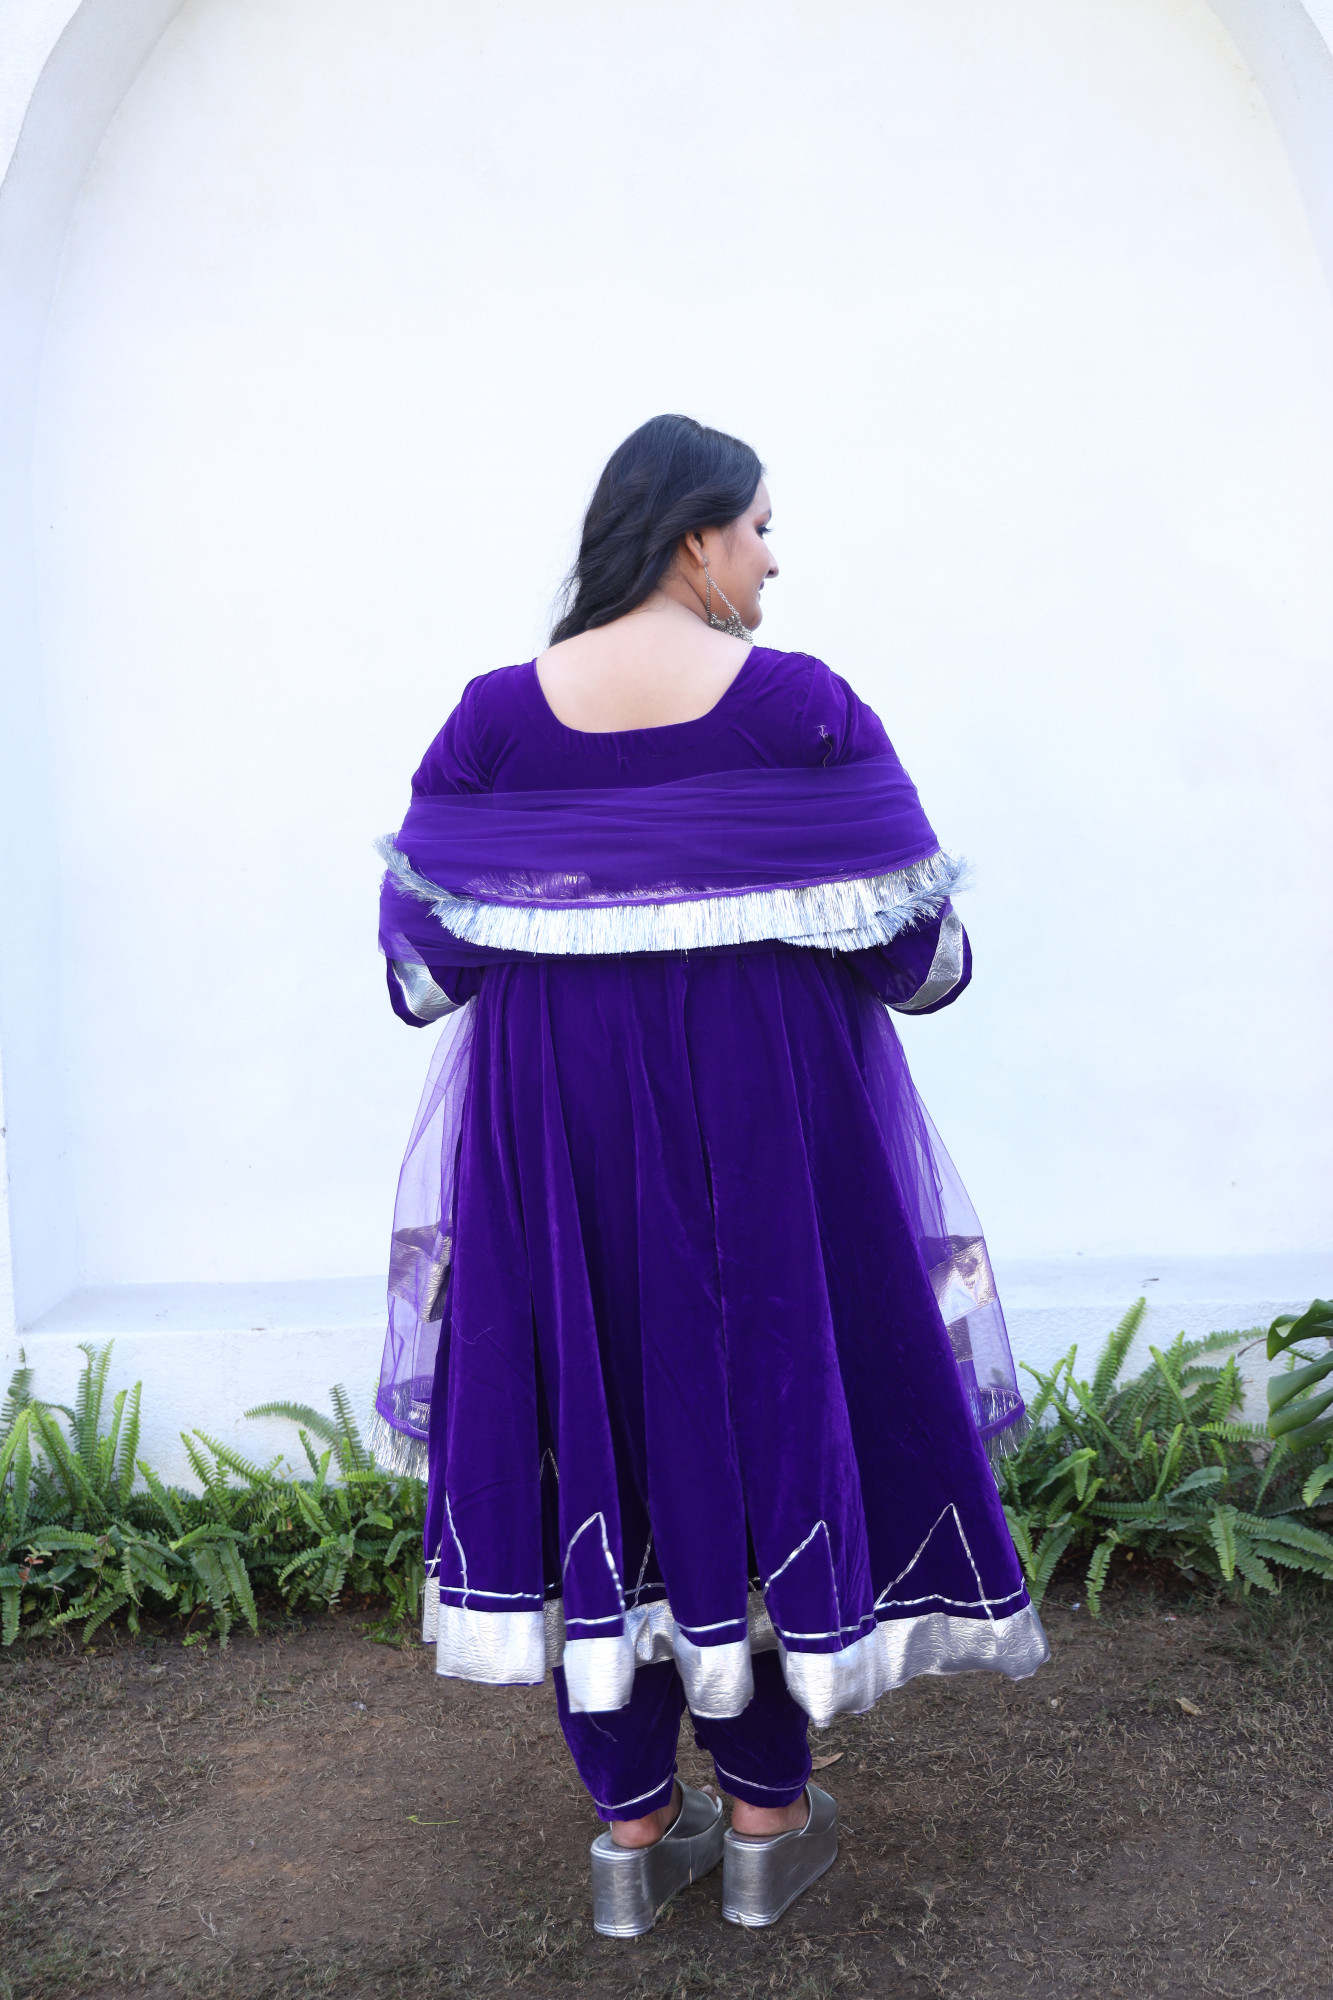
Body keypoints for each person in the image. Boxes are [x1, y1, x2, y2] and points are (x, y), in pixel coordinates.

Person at [372, 414, 1047, 1937]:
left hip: (555, 1147)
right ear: (692, 538)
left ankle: (626, 1828)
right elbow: (916, 956)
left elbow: (426, 954)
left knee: (578, 1402)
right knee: (752, 1398)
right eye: (756, 527)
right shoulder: (799, 711)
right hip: (761, 1138)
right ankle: (761, 1813)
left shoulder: (489, 723)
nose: (771, 555)